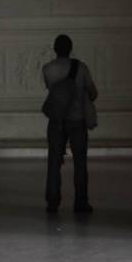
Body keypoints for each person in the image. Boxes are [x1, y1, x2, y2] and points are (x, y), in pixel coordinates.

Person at [42, 34, 98, 214]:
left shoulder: (47, 69)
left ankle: (52, 202)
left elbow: (53, 92)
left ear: (55, 49)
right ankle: (81, 202)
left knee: (53, 162)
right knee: (80, 163)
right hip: (77, 120)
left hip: (56, 121)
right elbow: (93, 92)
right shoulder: (80, 68)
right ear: (71, 48)